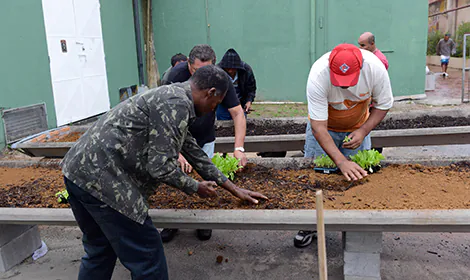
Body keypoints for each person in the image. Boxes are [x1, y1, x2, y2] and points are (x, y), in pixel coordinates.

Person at [61, 65, 267, 280]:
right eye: (215, 104)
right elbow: (159, 166)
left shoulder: (173, 96)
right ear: (210, 93)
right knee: (148, 256)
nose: (212, 110)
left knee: (100, 250)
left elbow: (192, 151)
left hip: (78, 173)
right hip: (105, 183)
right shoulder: (176, 104)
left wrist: (233, 188)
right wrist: (195, 187)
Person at [294, 43, 394, 248]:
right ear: (331, 69)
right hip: (325, 128)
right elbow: (319, 128)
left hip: (357, 126)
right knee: (316, 178)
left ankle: (357, 227)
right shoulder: (318, 74)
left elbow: (384, 104)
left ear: (361, 68)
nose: (345, 87)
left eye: (349, 81)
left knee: (358, 180)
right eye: (340, 81)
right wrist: (340, 161)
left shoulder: (375, 68)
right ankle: (310, 225)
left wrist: (364, 130)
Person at [162, 44, 248, 242]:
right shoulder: (174, 76)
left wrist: (239, 148)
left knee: (205, 178)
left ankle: (203, 221)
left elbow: (237, 112)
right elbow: (164, 120)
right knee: (174, 179)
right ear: (189, 66)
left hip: (204, 135)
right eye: (197, 72)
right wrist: (178, 153)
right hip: (175, 136)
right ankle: (171, 222)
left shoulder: (220, 78)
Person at [216, 48, 257, 120]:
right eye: (228, 68)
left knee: (241, 122)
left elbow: (251, 88)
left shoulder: (246, 71)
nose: (231, 71)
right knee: (223, 127)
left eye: (233, 68)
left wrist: (249, 101)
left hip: (240, 103)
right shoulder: (217, 72)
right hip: (223, 104)